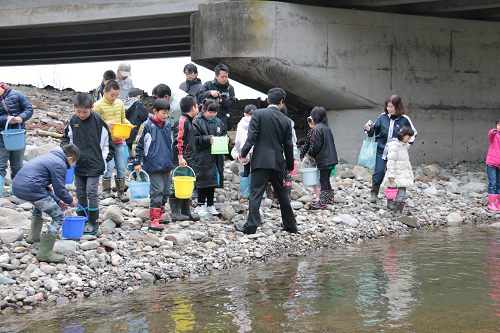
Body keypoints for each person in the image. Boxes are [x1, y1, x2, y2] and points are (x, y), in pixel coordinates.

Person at [234, 87, 297, 235]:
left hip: (260, 160)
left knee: (256, 194)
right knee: (281, 194)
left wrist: (243, 153)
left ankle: (251, 227)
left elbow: (252, 136)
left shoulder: (258, 114)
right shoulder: (286, 121)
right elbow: (288, 145)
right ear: (281, 102)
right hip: (277, 161)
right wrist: (289, 165)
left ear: (268, 100)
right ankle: (290, 225)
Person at [12, 145, 79, 263]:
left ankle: (33, 236)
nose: (71, 167)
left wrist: (58, 202)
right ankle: (45, 253)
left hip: (17, 187)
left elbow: (44, 187)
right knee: (58, 217)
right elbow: (60, 190)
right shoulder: (60, 163)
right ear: (69, 159)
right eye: (73, 164)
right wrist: (70, 201)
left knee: (39, 204)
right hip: (32, 189)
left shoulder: (49, 157)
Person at [61, 93, 114, 235]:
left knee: (91, 191)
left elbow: (108, 142)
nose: (81, 115)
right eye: (78, 111)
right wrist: (68, 158)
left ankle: (93, 222)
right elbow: (65, 140)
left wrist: (104, 160)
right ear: (74, 108)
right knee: (80, 192)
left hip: (95, 163)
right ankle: (82, 221)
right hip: (78, 164)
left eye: (85, 112)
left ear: (92, 107)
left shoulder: (98, 120)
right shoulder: (72, 120)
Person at [364, 95, 417, 204]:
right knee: (379, 172)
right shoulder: (383, 117)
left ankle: (390, 200)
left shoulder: (405, 119)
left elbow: (413, 134)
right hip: (381, 151)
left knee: (392, 176)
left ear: (398, 106)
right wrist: (368, 129)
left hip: (396, 154)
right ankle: (374, 193)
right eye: (388, 106)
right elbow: (374, 131)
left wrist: (405, 146)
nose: (389, 109)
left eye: (392, 107)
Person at [132, 99, 174, 230]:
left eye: (167, 113)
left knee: (166, 190)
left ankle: (160, 215)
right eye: (163, 113)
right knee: (157, 191)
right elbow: (137, 144)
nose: (166, 116)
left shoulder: (167, 125)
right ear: (155, 111)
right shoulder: (146, 125)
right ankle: (153, 219)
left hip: (167, 163)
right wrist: (136, 162)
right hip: (153, 163)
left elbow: (171, 144)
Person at [93, 80, 131, 202]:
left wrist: (128, 124)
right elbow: (92, 124)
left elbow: (122, 118)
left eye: (116, 95)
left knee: (121, 167)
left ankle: (121, 192)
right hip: (105, 142)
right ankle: (106, 191)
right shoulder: (98, 105)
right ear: (104, 92)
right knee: (108, 167)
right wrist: (104, 124)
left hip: (119, 139)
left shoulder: (119, 103)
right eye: (112, 95)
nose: (114, 98)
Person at [193, 99, 227, 215]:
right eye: (210, 112)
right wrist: (207, 139)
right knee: (203, 180)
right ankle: (200, 204)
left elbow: (224, 133)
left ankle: (211, 205)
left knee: (212, 181)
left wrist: (226, 138)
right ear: (203, 110)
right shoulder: (197, 122)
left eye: (215, 112)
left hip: (216, 155)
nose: (212, 114)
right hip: (202, 156)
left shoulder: (218, 122)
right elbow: (194, 139)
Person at [0, 83, 34, 198]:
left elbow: (29, 109)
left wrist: (21, 117)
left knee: (17, 165)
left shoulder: (17, 94)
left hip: (18, 135)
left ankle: (16, 192)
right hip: (1, 137)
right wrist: (6, 119)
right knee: (0, 165)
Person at [171, 95, 200, 222]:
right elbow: (178, 140)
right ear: (193, 107)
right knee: (177, 185)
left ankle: (185, 211)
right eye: (197, 106)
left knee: (187, 185)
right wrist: (180, 157)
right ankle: (175, 212)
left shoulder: (189, 120)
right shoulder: (182, 120)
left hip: (189, 158)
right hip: (182, 159)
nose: (198, 108)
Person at [306, 107, 338, 210]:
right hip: (331, 158)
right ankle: (329, 200)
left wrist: (310, 153)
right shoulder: (326, 127)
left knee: (323, 180)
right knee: (326, 179)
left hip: (324, 159)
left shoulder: (317, 128)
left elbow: (316, 145)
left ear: (315, 117)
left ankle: (322, 203)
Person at [382, 126, 415, 214]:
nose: (409, 140)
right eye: (408, 138)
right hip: (398, 174)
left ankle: (399, 211)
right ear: (403, 135)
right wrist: (391, 175)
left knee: (402, 192)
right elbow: (391, 161)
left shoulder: (403, 146)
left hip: (402, 174)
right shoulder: (395, 146)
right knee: (400, 193)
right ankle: (397, 212)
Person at [234, 104, 257, 203]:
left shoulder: (240, 123)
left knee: (245, 171)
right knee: (257, 171)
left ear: (244, 113)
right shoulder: (258, 121)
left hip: (245, 150)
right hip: (257, 150)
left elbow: (237, 140)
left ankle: (245, 195)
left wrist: (240, 153)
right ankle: (260, 194)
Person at [277, 104, 297, 204]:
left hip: (282, 152)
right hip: (292, 151)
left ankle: (280, 196)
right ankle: (287, 196)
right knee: (288, 174)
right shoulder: (290, 122)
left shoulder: (279, 122)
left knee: (280, 174)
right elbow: (294, 139)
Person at [124, 88, 149, 163]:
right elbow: (144, 117)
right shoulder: (138, 105)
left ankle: (131, 172)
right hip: (137, 135)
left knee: (131, 155)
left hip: (127, 134)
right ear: (138, 97)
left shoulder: (123, 105)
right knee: (138, 157)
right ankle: (139, 173)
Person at [300, 116, 320, 202]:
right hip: (312, 158)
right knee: (313, 178)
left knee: (319, 178)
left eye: (313, 124)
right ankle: (316, 193)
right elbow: (307, 144)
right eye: (310, 124)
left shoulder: (319, 131)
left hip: (318, 158)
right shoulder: (310, 132)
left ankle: (319, 195)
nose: (312, 126)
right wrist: (302, 154)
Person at [486, 118, 500, 211]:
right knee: (492, 183)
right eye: (499, 125)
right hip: (491, 163)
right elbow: (490, 133)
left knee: (499, 184)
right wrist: (494, 130)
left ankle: (498, 204)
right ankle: (491, 204)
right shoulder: (494, 135)